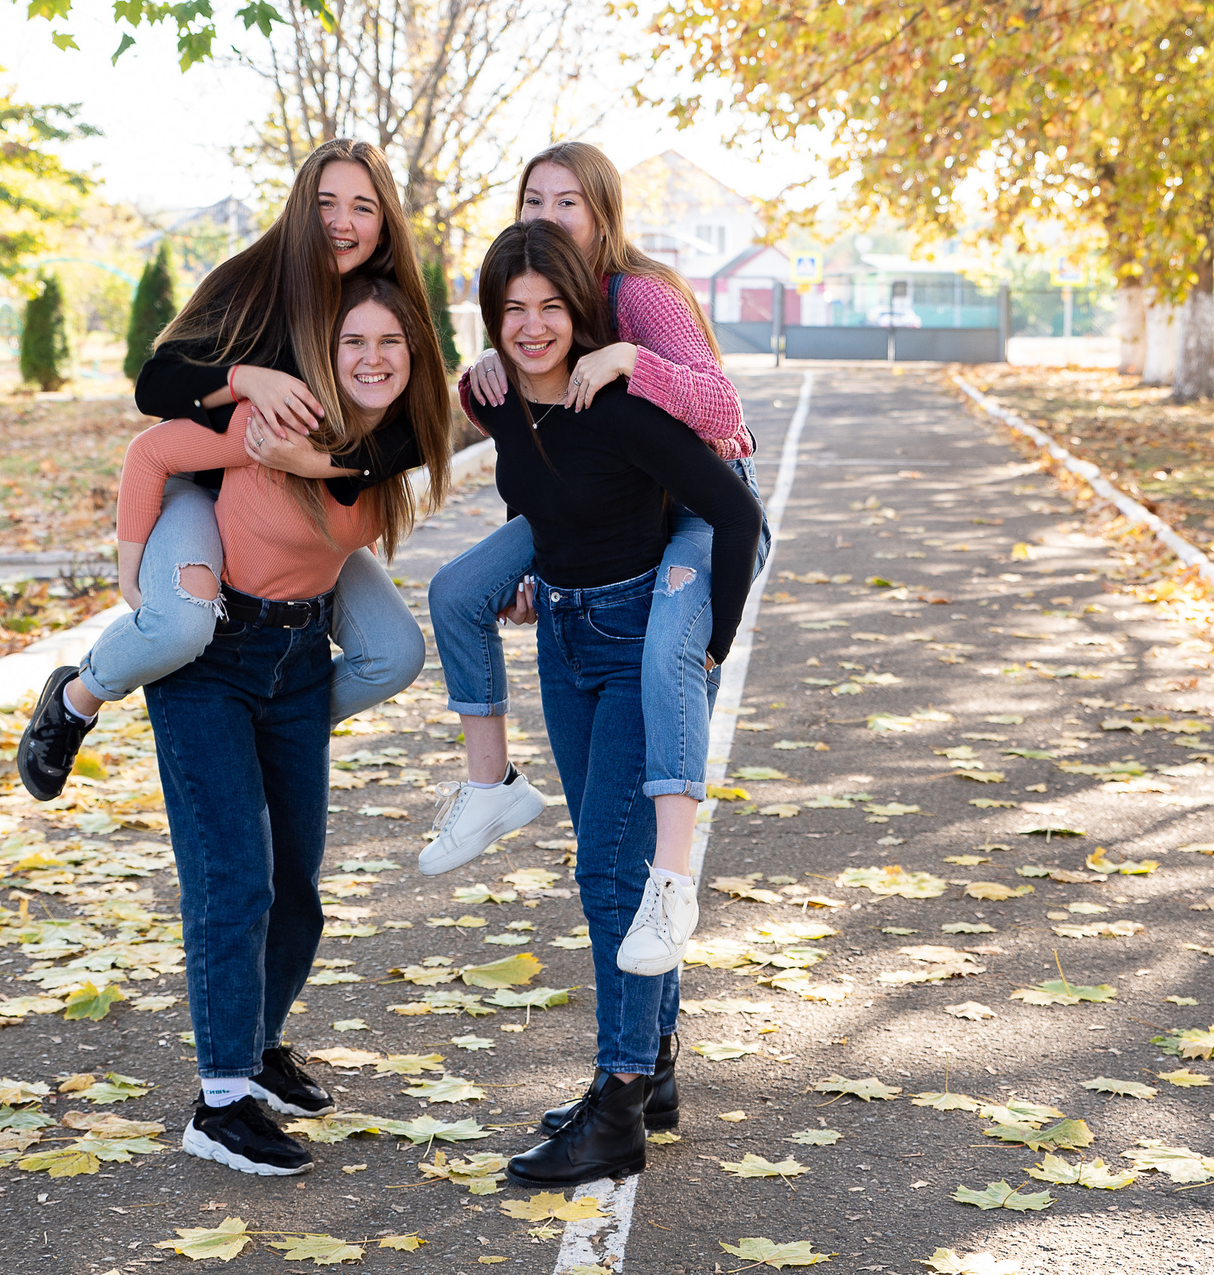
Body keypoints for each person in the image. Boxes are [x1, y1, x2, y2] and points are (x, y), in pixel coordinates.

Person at [97, 275, 454, 1176]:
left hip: (297, 669)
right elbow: (149, 448)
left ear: (412, 359)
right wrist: (137, 578)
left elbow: (501, 420)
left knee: (296, 884)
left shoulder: (387, 456)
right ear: (323, 359)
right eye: (352, 343)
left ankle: (258, 1050)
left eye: (390, 345)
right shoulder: (264, 428)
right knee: (236, 880)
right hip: (209, 663)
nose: (372, 359)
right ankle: (219, 1102)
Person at [454, 221, 763, 1188]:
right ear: (494, 322)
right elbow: (532, 498)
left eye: (552, 307)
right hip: (562, 639)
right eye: (515, 311)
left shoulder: (620, 405)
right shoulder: (507, 406)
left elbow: (738, 510)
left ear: (582, 313)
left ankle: (619, 1100)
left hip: (636, 641)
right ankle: (656, 1067)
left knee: (608, 874)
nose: (534, 326)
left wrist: (708, 641)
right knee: (608, 860)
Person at [18, 140, 448, 802]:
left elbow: (416, 432)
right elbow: (155, 392)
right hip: (210, 482)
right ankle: (77, 696)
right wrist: (250, 376)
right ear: (300, 208)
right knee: (183, 623)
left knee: (395, 649)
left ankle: (285, 724)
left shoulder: (379, 307)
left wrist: (311, 460)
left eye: (362, 206)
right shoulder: (250, 281)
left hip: (300, 503)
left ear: (385, 221)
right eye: (325, 202)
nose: (342, 221)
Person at [423, 143, 765, 974]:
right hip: (607, 505)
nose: (546, 215)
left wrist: (628, 359)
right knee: (456, 590)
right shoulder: (537, 305)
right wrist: (488, 373)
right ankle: (490, 783)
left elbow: (723, 408)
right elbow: (537, 446)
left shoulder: (632, 294)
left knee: (664, 657)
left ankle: (675, 880)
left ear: (603, 214)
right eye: (532, 199)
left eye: (566, 202)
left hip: (701, 508)